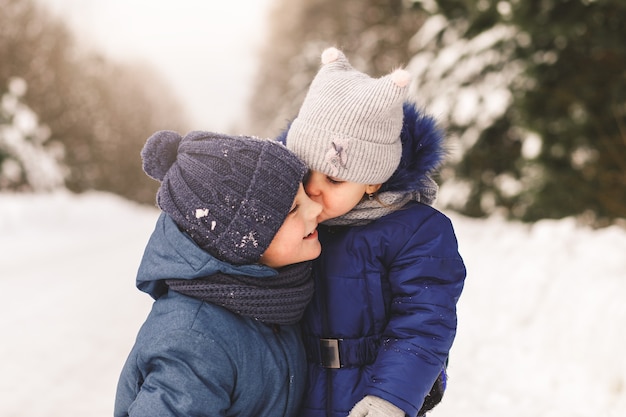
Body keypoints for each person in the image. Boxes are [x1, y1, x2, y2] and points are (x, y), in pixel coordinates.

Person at [280, 47, 467, 417]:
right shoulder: (294, 221)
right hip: (299, 391)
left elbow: (424, 323)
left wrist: (393, 396)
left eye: (333, 177)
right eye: (305, 172)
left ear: (373, 181)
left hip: (369, 393)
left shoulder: (417, 232)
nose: (314, 189)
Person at [114, 130, 323, 417]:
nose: (317, 209)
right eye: (293, 209)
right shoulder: (193, 341)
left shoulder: (273, 294)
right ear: (239, 242)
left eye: (305, 194)